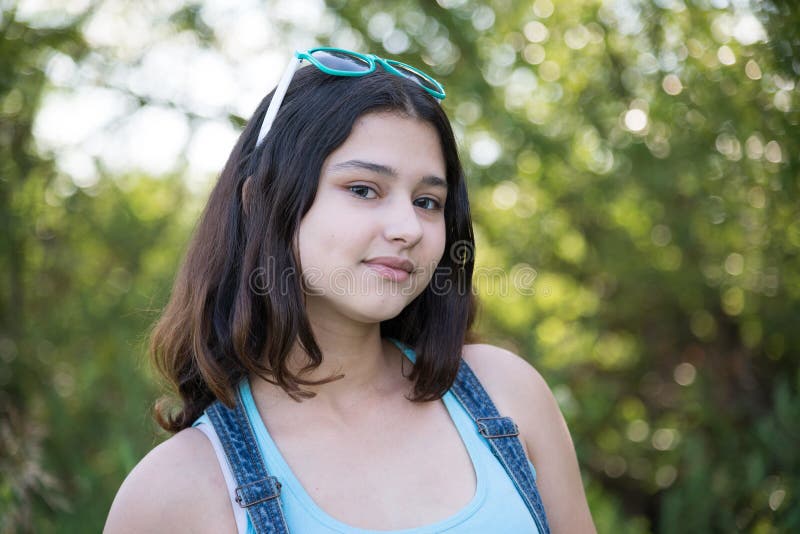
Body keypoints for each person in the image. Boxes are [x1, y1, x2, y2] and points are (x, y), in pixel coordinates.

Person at [105, 47, 596, 533]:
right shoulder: (175, 490)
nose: (409, 227)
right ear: (259, 202)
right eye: (364, 189)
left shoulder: (506, 394)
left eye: (428, 201)